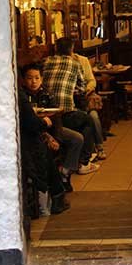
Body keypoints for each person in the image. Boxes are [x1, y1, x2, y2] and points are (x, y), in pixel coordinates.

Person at [21, 63, 84, 191]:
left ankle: (65, 172)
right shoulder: (22, 97)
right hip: (34, 132)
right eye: (29, 78)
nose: (34, 82)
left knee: (77, 138)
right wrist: (47, 136)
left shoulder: (47, 94)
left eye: (37, 78)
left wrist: (56, 138)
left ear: (42, 78)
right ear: (23, 80)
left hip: (50, 128)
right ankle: (52, 183)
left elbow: (56, 117)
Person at [42, 37, 101, 173]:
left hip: (46, 112)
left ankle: (77, 160)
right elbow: (81, 89)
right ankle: (84, 162)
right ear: (72, 49)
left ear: (56, 49)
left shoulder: (46, 61)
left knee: (83, 120)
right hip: (64, 113)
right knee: (88, 120)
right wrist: (71, 90)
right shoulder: (75, 63)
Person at [18, 87, 69, 215]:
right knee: (44, 151)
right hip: (26, 148)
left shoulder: (22, 94)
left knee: (45, 145)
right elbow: (33, 123)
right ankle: (57, 194)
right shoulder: (20, 95)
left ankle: (57, 192)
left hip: (24, 140)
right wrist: (45, 123)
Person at [73, 51, 113, 144]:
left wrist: (87, 90)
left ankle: (99, 145)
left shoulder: (82, 60)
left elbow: (92, 81)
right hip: (73, 104)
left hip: (85, 99)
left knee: (93, 117)